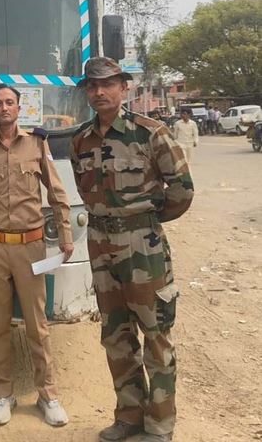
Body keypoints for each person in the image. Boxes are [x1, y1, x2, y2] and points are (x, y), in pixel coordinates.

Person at [70, 58, 194, 442]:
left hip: (143, 245)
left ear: (124, 88)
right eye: (92, 86)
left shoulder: (151, 133)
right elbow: (85, 191)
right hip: (100, 245)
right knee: (115, 335)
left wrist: (145, 221)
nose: (99, 92)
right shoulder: (80, 140)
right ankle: (129, 416)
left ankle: (159, 425)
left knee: (155, 334)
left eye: (108, 84)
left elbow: (182, 190)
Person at [0, 83, 74, 427]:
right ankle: (2, 394)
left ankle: (48, 395)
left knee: (37, 325)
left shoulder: (38, 143)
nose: (4, 108)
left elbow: (57, 193)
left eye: (10, 102)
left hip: (30, 247)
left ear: (19, 108)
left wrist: (66, 235)